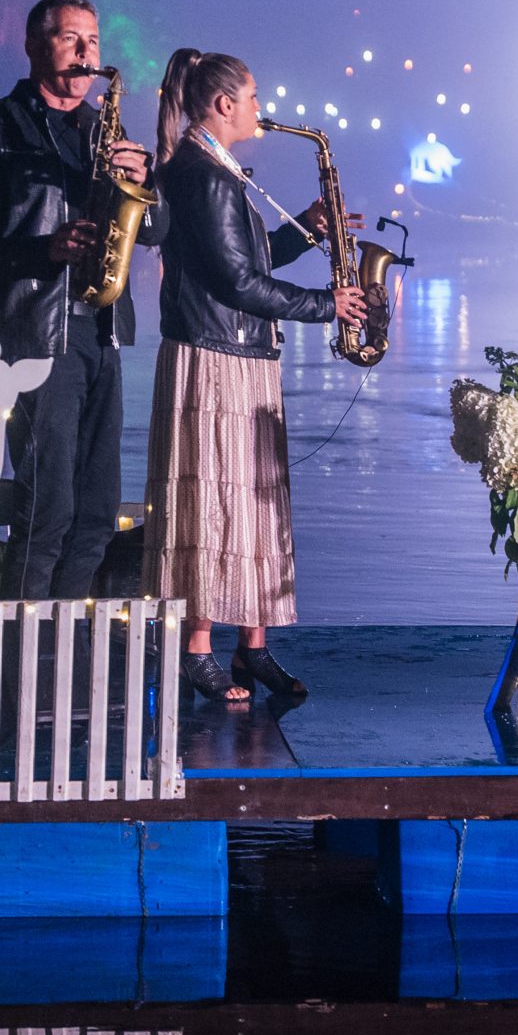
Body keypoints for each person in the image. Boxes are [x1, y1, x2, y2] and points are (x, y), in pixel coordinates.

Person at [144, 48, 366, 702]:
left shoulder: (213, 170)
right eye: (252, 97)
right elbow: (237, 283)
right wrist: (329, 305)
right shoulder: (204, 176)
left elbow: (250, 257)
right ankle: (196, 651)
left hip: (238, 353)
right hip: (215, 358)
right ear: (223, 104)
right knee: (213, 505)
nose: (260, 109)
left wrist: (306, 230)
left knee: (252, 504)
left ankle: (252, 647)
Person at [0, 0, 154, 598]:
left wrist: (144, 183)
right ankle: (18, 643)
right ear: (34, 45)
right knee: (47, 509)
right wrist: (48, 249)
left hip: (103, 331)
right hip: (33, 336)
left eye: (94, 41)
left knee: (97, 513)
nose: (87, 53)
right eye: (70, 39)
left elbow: (154, 230)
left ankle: (66, 639)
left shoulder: (103, 131)